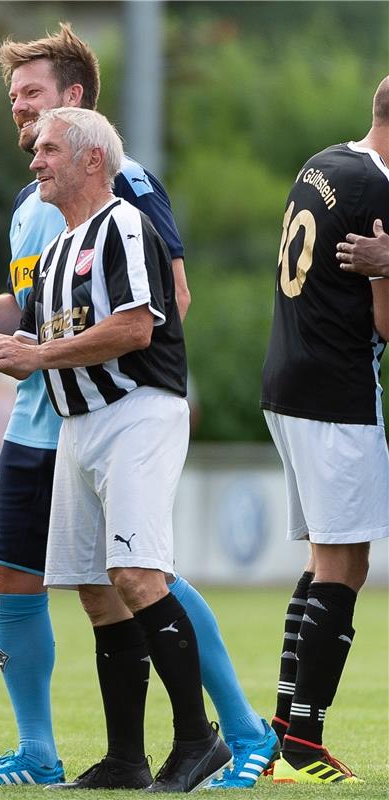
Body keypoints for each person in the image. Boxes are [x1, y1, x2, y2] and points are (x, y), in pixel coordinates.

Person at [0, 23, 276, 790]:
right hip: (54, 415)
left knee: (141, 571)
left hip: (113, 399)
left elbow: (162, 302)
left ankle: (235, 730)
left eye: (31, 97)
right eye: (12, 100)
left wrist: (130, 378)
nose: (20, 116)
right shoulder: (33, 200)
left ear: (74, 102)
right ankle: (48, 751)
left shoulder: (124, 186)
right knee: (31, 576)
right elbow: (31, 306)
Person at [257, 75, 389, 785]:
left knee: (320, 561)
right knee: (345, 565)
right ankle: (301, 748)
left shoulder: (323, 162)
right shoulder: (378, 193)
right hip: (336, 391)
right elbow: (385, 324)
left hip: (285, 379)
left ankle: (282, 730)